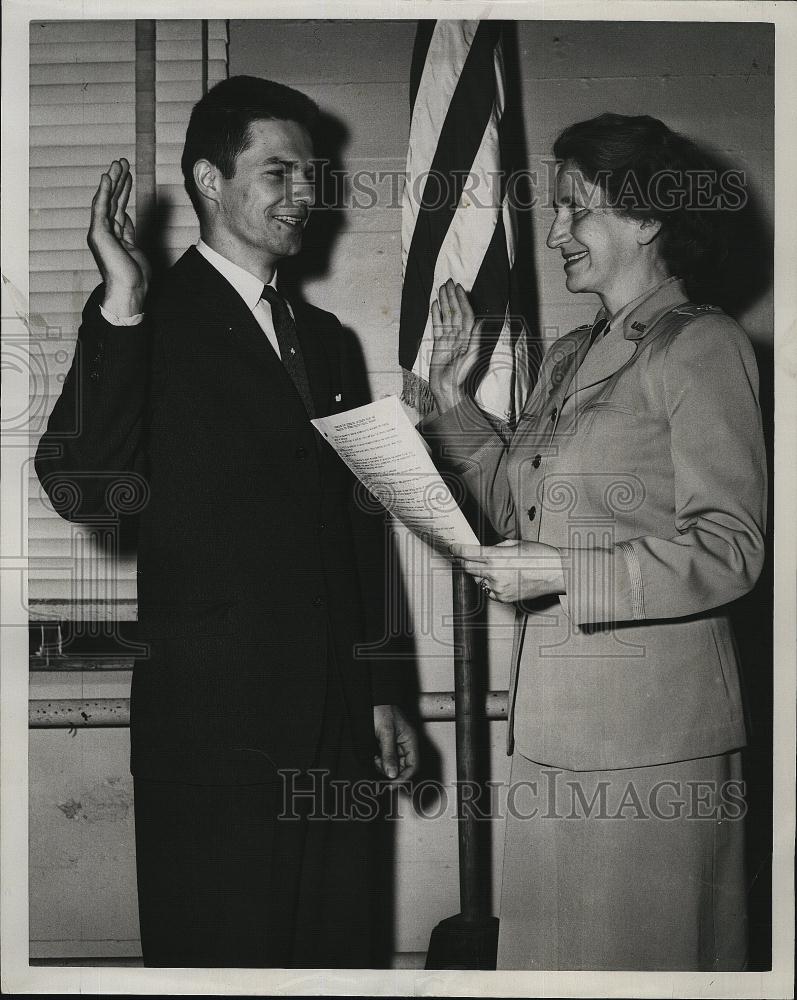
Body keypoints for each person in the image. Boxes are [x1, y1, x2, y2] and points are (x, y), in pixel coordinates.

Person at [36, 75, 418, 969]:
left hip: (335, 728)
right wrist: (120, 301)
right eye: (278, 172)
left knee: (338, 962)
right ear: (210, 181)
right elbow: (86, 487)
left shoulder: (326, 340)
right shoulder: (147, 318)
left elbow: (358, 528)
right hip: (214, 739)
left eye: (311, 174)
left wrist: (380, 690)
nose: (304, 193)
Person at [424, 113, 766, 970]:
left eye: (575, 207)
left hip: (654, 740)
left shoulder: (702, 344)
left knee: (643, 965)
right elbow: (518, 515)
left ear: (646, 217)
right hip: (552, 730)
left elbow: (731, 547)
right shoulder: (570, 355)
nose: (556, 233)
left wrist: (566, 573)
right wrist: (452, 401)